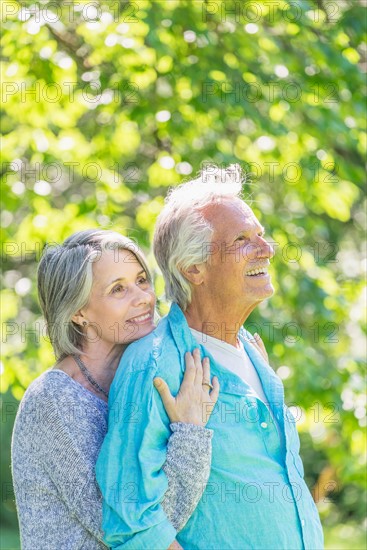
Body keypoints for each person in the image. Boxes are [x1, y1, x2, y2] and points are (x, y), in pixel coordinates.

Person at [96, 164, 324, 549]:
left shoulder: (251, 350)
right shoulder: (154, 362)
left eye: (261, 235)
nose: (266, 250)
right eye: (242, 240)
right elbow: (132, 524)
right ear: (194, 268)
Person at [11, 229, 220, 550]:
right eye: (118, 289)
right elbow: (131, 530)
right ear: (78, 312)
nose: (144, 298)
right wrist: (190, 431)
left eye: (141, 280)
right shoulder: (53, 400)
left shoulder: (144, 375)